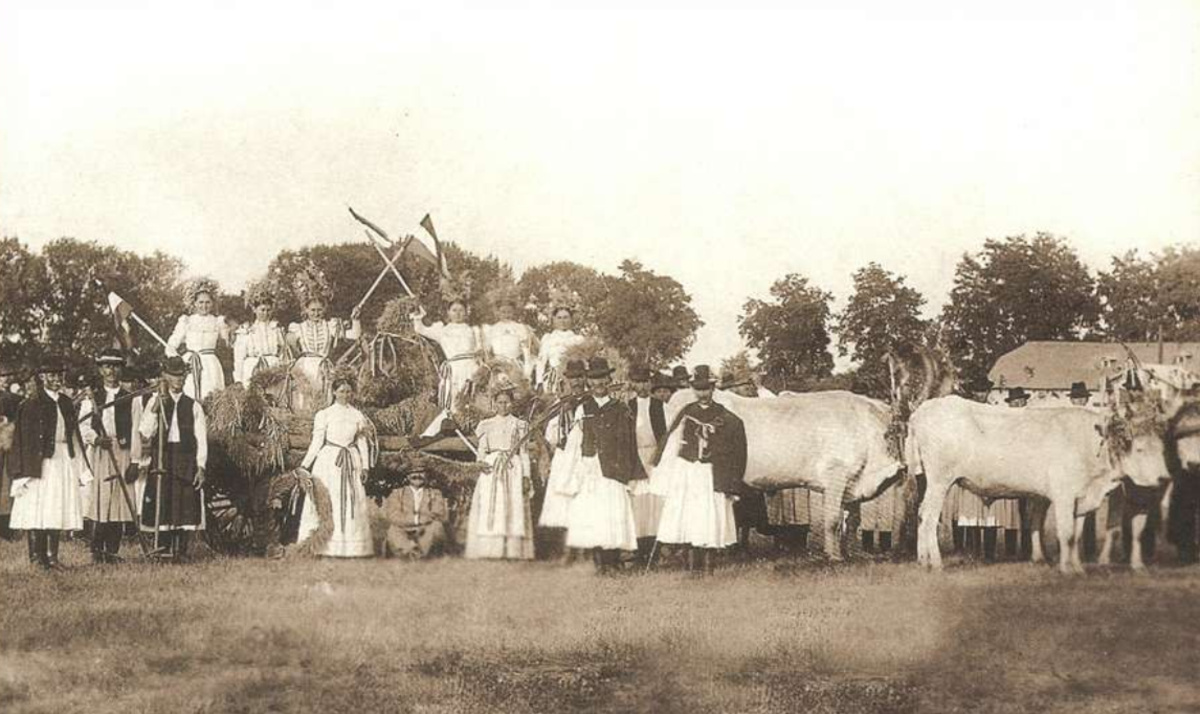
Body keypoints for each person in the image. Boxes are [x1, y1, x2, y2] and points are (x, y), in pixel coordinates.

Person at [653, 365, 747, 575]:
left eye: (706, 388)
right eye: (698, 388)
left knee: (709, 518)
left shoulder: (727, 418)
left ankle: (708, 567)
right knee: (690, 516)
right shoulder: (687, 413)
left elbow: (737, 452)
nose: (702, 393)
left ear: (713, 388)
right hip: (689, 472)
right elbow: (671, 443)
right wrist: (669, 474)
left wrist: (732, 484)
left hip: (712, 474)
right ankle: (691, 567)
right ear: (693, 388)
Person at [564, 358, 646, 574]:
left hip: (614, 468)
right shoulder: (584, 408)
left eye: (602, 378)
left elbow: (629, 441)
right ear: (588, 381)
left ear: (609, 379)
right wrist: (578, 468)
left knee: (613, 514)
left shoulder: (621, 408)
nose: (598, 382)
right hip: (591, 467)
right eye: (594, 378)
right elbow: (577, 439)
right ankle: (600, 562)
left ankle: (614, 561)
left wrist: (629, 471)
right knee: (595, 515)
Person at [9, 359, 92, 569]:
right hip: (41, 462)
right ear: (43, 378)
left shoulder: (65, 402)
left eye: (59, 375)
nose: (56, 379)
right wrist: (24, 471)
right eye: (51, 375)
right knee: (38, 506)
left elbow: (73, 434)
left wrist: (79, 463)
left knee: (57, 505)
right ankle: (37, 557)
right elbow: (23, 439)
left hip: (62, 459)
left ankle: (52, 556)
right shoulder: (32, 404)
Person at [295, 375, 376, 558]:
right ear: (333, 392)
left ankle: (352, 548)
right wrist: (304, 465)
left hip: (351, 461)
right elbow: (317, 442)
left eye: (348, 391)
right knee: (328, 501)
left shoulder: (357, 415)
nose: (345, 395)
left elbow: (362, 441)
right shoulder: (324, 414)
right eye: (341, 391)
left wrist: (365, 467)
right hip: (329, 462)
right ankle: (323, 547)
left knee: (351, 501)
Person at [139, 357, 208, 560]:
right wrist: (155, 409)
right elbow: (145, 432)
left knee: (184, 502)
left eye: (181, 375)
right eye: (174, 375)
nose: (178, 379)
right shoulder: (155, 401)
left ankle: (181, 551)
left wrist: (201, 466)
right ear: (165, 376)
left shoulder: (193, 406)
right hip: (163, 457)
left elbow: (201, 439)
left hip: (185, 458)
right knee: (163, 499)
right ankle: (162, 547)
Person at [79, 349, 143, 563]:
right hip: (101, 451)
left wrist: (135, 461)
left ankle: (113, 551)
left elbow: (136, 431)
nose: (111, 371)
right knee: (101, 500)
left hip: (122, 450)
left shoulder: (130, 398)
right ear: (100, 369)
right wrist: (96, 439)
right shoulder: (92, 397)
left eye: (115, 366)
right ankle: (97, 550)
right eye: (107, 366)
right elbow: (83, 426)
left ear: (121, 369)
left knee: (120, 502)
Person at [466, 383, 535, 559]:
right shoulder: (486, 425)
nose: (503, 406)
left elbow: (524, 452)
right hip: (492, 468)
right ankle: (491, 550)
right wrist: (480, 468)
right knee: (494, 505)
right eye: (500, 402)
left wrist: (526, 476)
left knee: (513, 505)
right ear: (494, 404)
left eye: (506, 402)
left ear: (512, 403)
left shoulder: (520, 425)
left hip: (513, 467)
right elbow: (482, 452)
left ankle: (513, 550)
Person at [287, 286, 360, 412]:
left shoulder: (331, 326)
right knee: (303, 398)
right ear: (306, 310)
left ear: (324, 310)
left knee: (324, 399)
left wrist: (356, 319)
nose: (316, 313)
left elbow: (354, 335)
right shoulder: (298, 327)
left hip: (324, 367)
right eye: (313, 310)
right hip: (304, 366)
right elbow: (290, 347)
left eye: (319, 310)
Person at [538, 360, 587, 542]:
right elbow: (551, 433)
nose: (576, 382)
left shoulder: (590, 400)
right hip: (565, 453)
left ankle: (585, 545)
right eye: (572, 378)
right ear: (567, 380)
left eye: (579, 377)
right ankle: (567, 547)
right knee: (562, 501)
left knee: (583, 498)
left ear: (585, 378)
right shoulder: (560, 402)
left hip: (584, 453)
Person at [413, 300, 484, 413]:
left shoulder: (473, 330)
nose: (457, 313)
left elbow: (481, 350)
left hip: (471, 368)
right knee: (453, 404)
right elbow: (420, 329)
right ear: (448, 312)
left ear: (466, 312)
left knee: (473, 402)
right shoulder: (442, 330)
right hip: (453, 370)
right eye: (454, 310)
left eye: (461, 310)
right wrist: (418, 316)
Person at [166, 279, 231, 401]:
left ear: (213, 303)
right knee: (189, 396)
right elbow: (170, 346)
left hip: (211, 365)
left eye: (207, 302)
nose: (204, 306)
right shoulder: (187, 321)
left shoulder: (218, 322)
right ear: (194, 303)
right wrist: (179, 362)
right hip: (189, 364)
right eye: (200, 302)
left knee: (211, 396)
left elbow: (227, 344)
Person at [627, 366, 667, 560]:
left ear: (650, 383)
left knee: (656, 503)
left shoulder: (659, 406)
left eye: (645, 382)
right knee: (639, 504)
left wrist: (659, 457)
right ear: (632, 384)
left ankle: (655, 550)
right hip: (636, 457)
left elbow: (666, 435)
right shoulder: (628, 406)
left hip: (656, 457)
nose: (642, 386)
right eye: (638, 382)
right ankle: (639, 549)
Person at [381, 469, 448, 559]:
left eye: (421, 472)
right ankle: (411, 550)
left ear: (426, 475)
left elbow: (438, 513)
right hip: (404, 528)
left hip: (426, 527)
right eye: (413, 473)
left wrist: (421, 522)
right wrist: (414, 520)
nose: (417, 475)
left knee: (437, 526)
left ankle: (418, 553)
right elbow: (393, 515)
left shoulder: (435, 493)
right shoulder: (397, 493)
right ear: (408, 476)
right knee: (393, 530)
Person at [234, 285, 288, 386]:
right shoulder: (246, 330)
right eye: (262, 310)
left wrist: (283, 371)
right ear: (254, 309)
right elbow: (239, 357)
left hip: (273, 369)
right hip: (252, 370)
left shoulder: (276, 329)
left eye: (268, 310)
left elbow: (283, 354)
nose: (266, 313)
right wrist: (238, 379)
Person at [483, 291, 536, 380]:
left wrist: (527, 372)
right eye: (503, 312)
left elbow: (526, 352)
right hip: (497, 367)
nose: (506, 315)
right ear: (498, 312)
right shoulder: (492, 329)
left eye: (509, 312)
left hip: (515, 366)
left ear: (513, 312)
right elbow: (487, 353)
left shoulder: (520, 328)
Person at [533, 306, 585, 392]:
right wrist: (539, 382)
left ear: (571, 319)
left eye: (565, 317)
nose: (562, 321)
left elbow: (584, 361)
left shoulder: (578, 339)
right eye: (559, 318)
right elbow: (541, 362)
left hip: (575, 378)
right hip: (554, 378)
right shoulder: (548, 339)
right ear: (554, 320)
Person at [0, 365, 23, 538]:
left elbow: (21, 422)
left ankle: (7, 528)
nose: (3, 379)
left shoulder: (16, 400)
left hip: (8, 446)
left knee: (7, 485)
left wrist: (9, 427)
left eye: (5, 376)